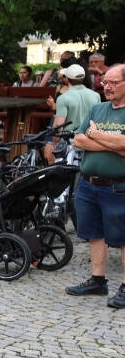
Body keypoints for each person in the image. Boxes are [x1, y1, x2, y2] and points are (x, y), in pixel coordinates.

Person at [68, 63, 125, 307]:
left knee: (123, 237)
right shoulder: (97, 108)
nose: (106, 86)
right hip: (89, 184)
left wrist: (98, 135)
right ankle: (97, 280)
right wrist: (116, 145)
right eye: (105, 82)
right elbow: (78, 139)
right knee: (94, 233)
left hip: (118, 186)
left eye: (113, 83)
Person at [46, 64, 100, 163]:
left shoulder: (63, 98)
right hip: (89, 144)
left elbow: (58, 126)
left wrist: (54, 143)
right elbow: (98, 120)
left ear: (67, 79)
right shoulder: (96, 96)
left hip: (70, 145)